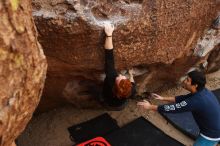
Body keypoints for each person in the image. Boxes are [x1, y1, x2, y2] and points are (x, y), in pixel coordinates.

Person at [137, 70, 220, 146]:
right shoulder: (202, 91)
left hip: (211, 135)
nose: (184, 81)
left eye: (187, 80)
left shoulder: (195, 101)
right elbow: (182, 98)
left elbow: (172, 108)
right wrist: (163, 98)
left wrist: (149, 106)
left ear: (195, 85)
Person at [102, 23, 136, 110]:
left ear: (115, 85)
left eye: (119, 79)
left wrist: (109, 35)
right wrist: (131, 75)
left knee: (100, 95)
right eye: (125, 78)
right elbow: (133, 84)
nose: (121, 75)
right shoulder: (130, 91)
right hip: (120, 106)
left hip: (107, 101)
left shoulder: (111, 78)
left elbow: (109, 56)